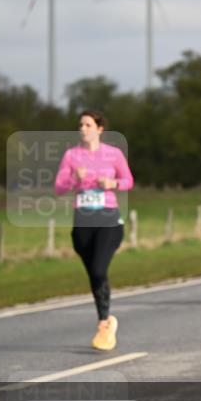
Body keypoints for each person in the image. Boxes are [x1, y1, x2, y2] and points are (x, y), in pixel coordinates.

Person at [54, 110, 134, 351]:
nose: (83, 128)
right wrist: (74, 180)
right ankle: (106, 322)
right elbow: (58, 188)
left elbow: (128, 180)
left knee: (99, 269)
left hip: (108, 220)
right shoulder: (71, 156)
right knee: (95, 275)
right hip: (83, 222)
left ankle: (103, 324)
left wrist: (113, 184)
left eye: (88, 124)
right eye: (80, 125)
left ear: (100, 129)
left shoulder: (114, 154)